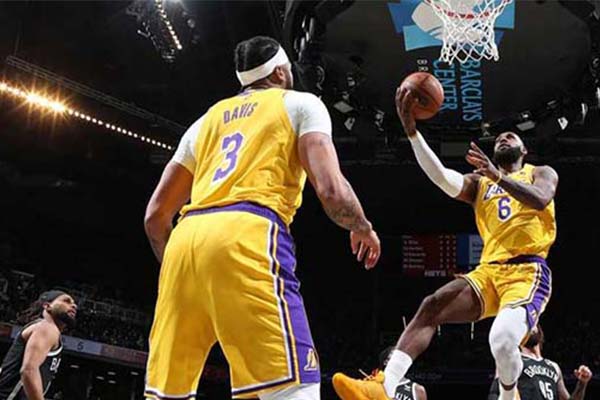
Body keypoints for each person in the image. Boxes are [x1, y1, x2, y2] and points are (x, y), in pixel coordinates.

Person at [143, 36, 381, 400]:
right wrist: (361, 226)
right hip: (247, 232)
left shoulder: (205, 121)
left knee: (168, 395)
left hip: (184, 242)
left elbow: (156, 216)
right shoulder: (300, 103)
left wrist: (182, 268)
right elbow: (331, 189)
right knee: (295, 386)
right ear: (281, 72)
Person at [332, 86, 558, 400]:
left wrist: (498, 176)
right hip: (489, 272)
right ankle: (383, 386)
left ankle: (509, 395)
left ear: (524, 151)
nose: (504, 138)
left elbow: (541, 199)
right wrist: (412, 133)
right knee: (432, 305)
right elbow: (441, 177)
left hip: (527, 272)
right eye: (499, 138)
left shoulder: (540, 173)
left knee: (502, 340)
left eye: (511, 136)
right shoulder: (479, 183)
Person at [0, 290, 77, 400]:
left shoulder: (46, 329)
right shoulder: (47, 327)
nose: (74, 305)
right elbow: (29, 370)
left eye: (73, 303)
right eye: (66, 301)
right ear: (47, 306)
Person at [488, 325, 593, 400]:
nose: (530, 327)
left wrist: (582, 383)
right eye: (525, 326)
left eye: (532, 324)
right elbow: (494, 393)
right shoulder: (512, 359)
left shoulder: (554, 367)